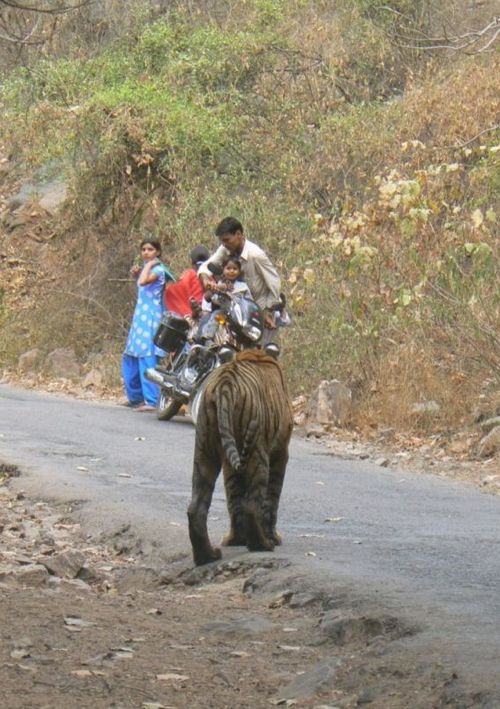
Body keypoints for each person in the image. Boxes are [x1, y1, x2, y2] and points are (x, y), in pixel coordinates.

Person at [198, 217, 281, 345]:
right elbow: (206, 266)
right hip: (238, 312)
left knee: (258, 353)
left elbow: (274, 282)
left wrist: (268, 311)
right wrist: (205, 280)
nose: (224, 244)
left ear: (238, 235)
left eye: (227, 240)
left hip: (260, 310)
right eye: (222, 241)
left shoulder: (255, 254)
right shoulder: (225, 249)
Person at [121, 237, 174, 412]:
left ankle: (152, 400)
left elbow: (144, 282)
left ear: (157, 252)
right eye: (143, 249)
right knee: (131, 355)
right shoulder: (148, 269)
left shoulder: (158, 269)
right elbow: (141, 281)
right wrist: (139, 272)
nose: (146, 253)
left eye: (150, 249)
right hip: (140, 318)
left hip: (150, 317)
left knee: (147, 356)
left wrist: (149, 266)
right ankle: (136, 397)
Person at [164, 244, 209, 317]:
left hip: (185, 314)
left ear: (191, 262)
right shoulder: (208, 275)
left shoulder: (189, 273)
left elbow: (175, 289)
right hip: (201, 314)